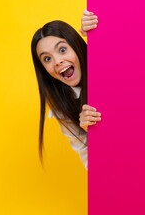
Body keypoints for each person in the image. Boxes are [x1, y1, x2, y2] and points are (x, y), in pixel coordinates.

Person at [31, 9, 100, 170]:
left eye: (62, 50)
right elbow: (91, 164)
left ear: (76, 45)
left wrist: (98, 28)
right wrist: (92, 133)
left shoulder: (105, 65)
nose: (57, 61)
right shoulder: (62, 110)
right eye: (47, 59)